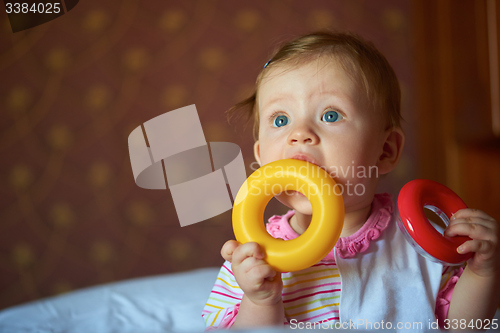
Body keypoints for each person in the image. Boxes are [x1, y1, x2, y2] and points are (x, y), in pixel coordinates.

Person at [201, 31, 500, 331]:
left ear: (385, 150)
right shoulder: (254, 255)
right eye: (280, 120)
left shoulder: (422, 241)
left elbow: (464, 327)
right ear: (263, 160)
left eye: (330, 115)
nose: (300, 133)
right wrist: (260, 301)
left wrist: (482, 273)